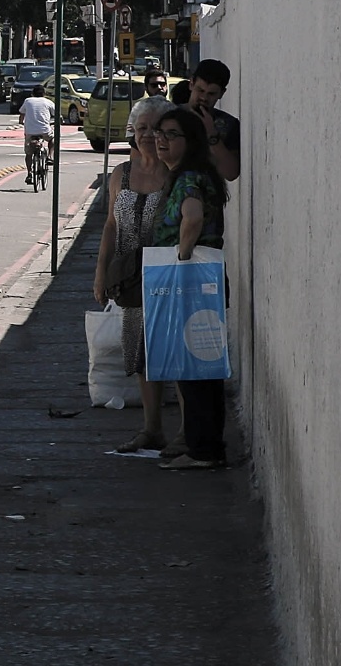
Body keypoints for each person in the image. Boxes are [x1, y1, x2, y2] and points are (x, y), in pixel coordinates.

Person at [150, 105, 230, 469]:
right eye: (159, 134)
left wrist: (181, 258)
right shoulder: (196, 175)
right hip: (205, 279)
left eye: (171, 135)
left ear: (190, 141)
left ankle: (203, 450)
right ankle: (206, 446)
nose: (161, 141)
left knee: (192, 368)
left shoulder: (188, 179)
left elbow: (192, 218)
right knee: (203, 365)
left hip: (190, 281)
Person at [92, 95, 174, 452]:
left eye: (156, 129)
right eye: (142, 128)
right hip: (130, 279)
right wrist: (101, 273)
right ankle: (152, 429)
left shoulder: (174, 174)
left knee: (168, 353)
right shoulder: (121, 174)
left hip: (166, 277)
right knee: (139, 354)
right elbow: (111, 225)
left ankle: (184, 434)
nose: (148, 135)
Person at [185, 59, 240, 182]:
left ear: (221, 93)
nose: (204, 98)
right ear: (191, 84)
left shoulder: (228, 125)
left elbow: (231, 173)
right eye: (200, 90)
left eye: (211, 94)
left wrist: (212, 135)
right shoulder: (168, 116)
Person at [19, 86, 57, 185]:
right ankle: (50, 156)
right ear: (44, 94)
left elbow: (22, 114)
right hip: (44, 130)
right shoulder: (48, 102)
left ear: (32, 94)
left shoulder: (28, 101)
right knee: (53, 139)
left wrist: (21, 122)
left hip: (30, 131)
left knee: (28, 154)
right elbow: (57, 114)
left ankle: (29, 173)